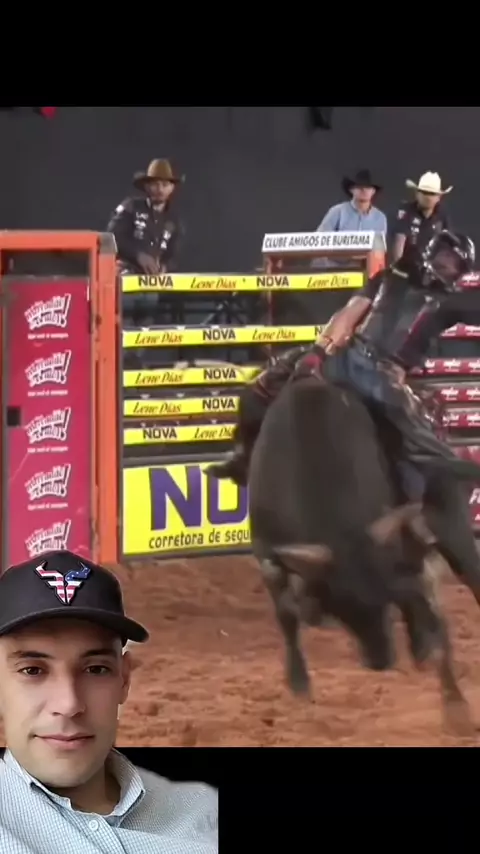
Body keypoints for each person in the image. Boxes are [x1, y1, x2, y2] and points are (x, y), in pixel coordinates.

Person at [207, 229, 480, 497]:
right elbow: (349, 313)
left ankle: (442, 486)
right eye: (445, 256)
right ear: (433, 251)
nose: (447, 264)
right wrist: (318, 351)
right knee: (262, 386)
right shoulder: (391, 276)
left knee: (416, 432)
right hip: (350, 354)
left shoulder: (451, 302)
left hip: (387, 374)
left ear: (459, 272)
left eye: (454, 262)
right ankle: (245, 457)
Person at [0, 550, 218, 854]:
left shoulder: (203, 811)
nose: (69, 704)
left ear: (124, 680)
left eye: (95, 669)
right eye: (32, 670)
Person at [107, 158, 184, 275]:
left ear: (172, 188)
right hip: (124, 274)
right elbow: (112, 236)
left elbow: (174, 254)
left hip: (154, 280)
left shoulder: (174, 220)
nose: (160, 189)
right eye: (155, 184)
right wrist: (138, 255)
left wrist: (165, 266)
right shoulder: (131, 207)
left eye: (165, 185)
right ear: (147, 186)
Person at [391, 171, 451, 267]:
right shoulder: (406, 212)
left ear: (439, 197)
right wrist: (397, 268)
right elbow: (399, 243)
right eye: (424, 192)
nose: (428, 197)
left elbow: (446, 248)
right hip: (408, 269)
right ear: (417, 194)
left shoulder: (441, 216)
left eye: (432, 194)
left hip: (433, 270)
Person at [316, 168, 387, 234]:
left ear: (373, 191)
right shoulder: (337, 212)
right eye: (359, 186)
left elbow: (380, 243)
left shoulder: (380, 218)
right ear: (351, 190)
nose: (364, 190)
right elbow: (320, 238)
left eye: (368, 187)